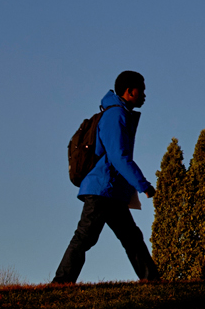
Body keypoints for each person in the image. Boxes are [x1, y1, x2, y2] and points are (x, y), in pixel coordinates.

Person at [53, 70, 161, 283]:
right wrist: (143, 185)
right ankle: (61, 282)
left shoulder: (119, 113)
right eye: (142, 90)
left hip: (111, 190)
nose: (145, 94)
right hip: (102, 188)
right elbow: (118, 157)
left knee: (131, 238)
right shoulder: (115, 115)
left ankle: (152, 280)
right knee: (85, 237)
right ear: (130, 92)